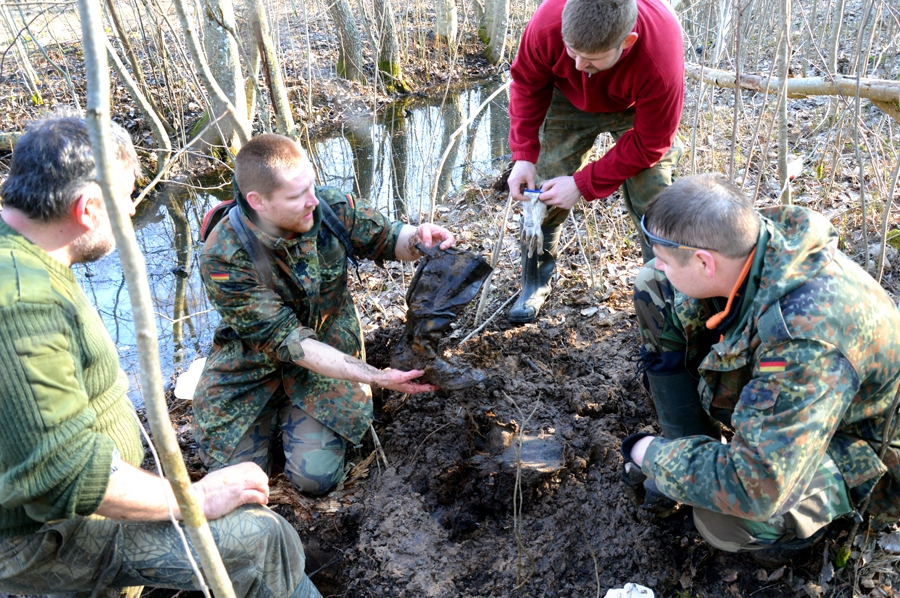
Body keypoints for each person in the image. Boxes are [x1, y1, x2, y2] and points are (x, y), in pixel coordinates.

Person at [0, 116, 320, 597]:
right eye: (126, 198)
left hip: (57, 509)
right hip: (44, 537)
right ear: (87, 208)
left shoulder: (24, 253)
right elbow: (65, 476)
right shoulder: (21, 304)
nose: (131, 211)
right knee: (263, 540)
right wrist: (197, 496)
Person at [622, 173, 900, 560]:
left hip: (862, 446)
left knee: (724, 520)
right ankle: (689, 446)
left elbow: (755, 488)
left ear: (704, 262)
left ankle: (795, 542)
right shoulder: (754, 242)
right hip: (806, 400)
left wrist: (648, 453)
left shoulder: (801, 340)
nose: (660, 264)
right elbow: (669, 279)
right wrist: (680, 458)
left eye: (667, 259)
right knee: (655, 285)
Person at [194, 133, 456, 496]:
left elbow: (389, 237)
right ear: (258, 202)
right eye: (297, 196)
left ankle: (310, 422)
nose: (312, 201)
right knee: (236, 477)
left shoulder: (329, 208)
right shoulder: (224, 254)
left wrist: (419, 239)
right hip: (252, 367)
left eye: (312, 186)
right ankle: (274, 422)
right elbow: (290, 343)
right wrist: (376, 376)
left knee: (314, 481)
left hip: (332, 353)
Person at [506, 0, 685, 324]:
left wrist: (581, 184)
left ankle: (665, 295)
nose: (576, 65)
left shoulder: (660, 52)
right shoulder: (548, 22)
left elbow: (650, 143)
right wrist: (522, 154)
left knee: (655, 194)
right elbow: (528, 83)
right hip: (565, 99)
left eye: (589, 60)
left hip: (634, 105)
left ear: (626, 42)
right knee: (542, 186)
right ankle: (534, 283)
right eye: (571, 52)